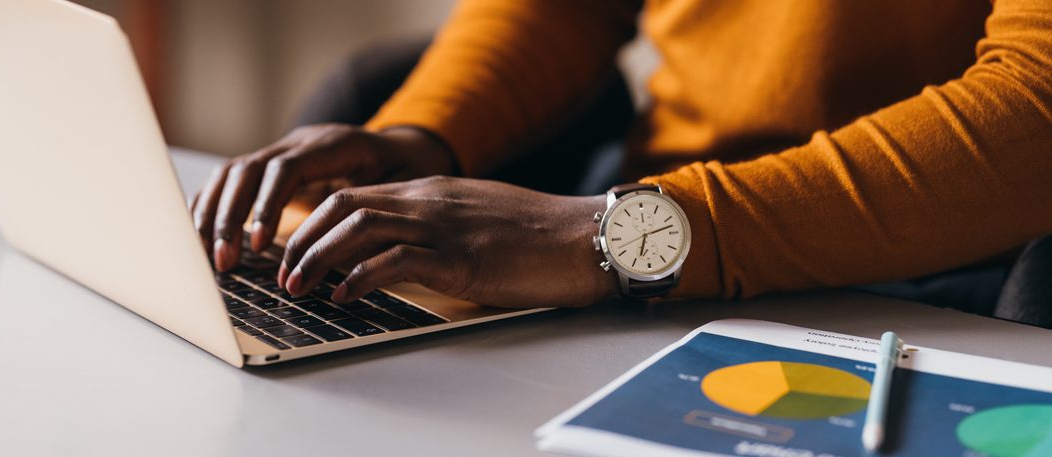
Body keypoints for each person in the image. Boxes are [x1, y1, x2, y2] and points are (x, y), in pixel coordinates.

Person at [191, 0, 1052, 317]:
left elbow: (1037, 107)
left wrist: (609, 238)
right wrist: (420, 135)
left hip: (934, 267)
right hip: (639, 213)